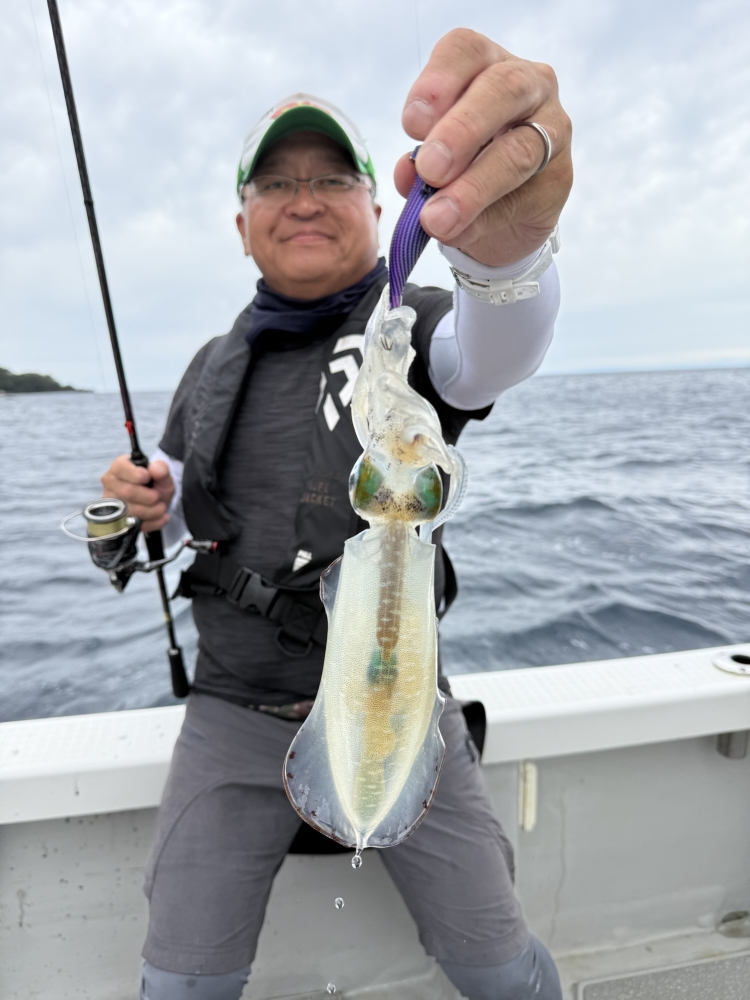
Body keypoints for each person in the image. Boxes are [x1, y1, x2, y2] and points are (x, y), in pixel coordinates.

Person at [102, 28, 572, 1000]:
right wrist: (136, 505)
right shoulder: (210, 368)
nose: (305, 198)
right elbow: (173, 520)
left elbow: (495, 351)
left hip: (400, 699)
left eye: (331, 178)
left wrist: (509, 256)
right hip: (232, 707)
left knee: (499, 969)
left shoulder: (414, 328)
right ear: (242, 225)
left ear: (375, 204)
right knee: (181, 984)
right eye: (276, 184)